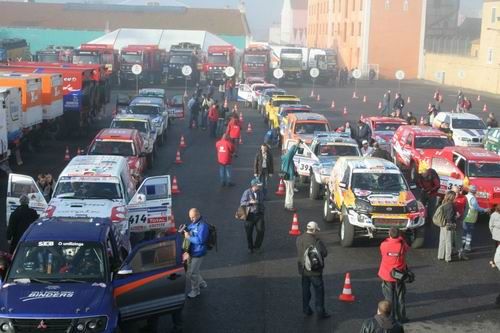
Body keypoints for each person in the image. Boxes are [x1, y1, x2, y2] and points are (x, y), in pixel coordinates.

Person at [296, 221, 330, 318]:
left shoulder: (299, 239)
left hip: (304, 271)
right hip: (315, 272)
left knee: (305, 290)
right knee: (319, 292)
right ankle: (320, 312)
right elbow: (325, 253)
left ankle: (306, 309)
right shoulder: (316, 241)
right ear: (314, 230)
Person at [378, 227, 409, 323]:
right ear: (398, 234)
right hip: (399, 276)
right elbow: (407, 248)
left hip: (387, 275)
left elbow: (382, 253)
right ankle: (401, 317)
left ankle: (389, 318)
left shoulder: (383, 245)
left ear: (389, 234)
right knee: (400, 298)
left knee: (388, 299)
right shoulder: (402, 245)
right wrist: (401, 238)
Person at [184, 208, 209, 298]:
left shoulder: (203, 226)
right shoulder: (194, 223)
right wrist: (185, 230)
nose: (191, 219)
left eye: (193, 217)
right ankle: (201, 283)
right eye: (190, 217)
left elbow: (201, 240)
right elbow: (190, 229)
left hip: (199, 252)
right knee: (189, 271)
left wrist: (188, 237)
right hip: (192, 251)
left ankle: (195, 291)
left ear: (198, 215)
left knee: (192, 273)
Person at [240, 179, 265, 253]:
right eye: (258, 185)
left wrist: (262, 209)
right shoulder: (246, 192)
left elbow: (262, 201)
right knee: (249, 233)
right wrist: (250, 202)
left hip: (259, 214)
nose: (260, 187)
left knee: (261, 231)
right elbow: (242, 203)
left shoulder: (260, 192)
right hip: (249, 215)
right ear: (254, 186)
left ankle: (257, 246)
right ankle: (250, 247)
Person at [463, 185, 489, 252]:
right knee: (469, 233)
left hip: (464, 216)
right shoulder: (473, 198)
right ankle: (467, 246)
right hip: (470, 217)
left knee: (464, 232)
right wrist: (485, 210)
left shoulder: (466, 196)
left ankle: (462, 244)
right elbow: (476, 208)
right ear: (474, 191)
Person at [437, 191, 457, 263]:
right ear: (452, 197)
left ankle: (440, 255)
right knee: (448, 241)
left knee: (442, 240)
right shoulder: (451, 205)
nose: (456, 197)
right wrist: (456, 216)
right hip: (448, 224)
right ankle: (448, 257)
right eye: (455, 196)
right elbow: (450, 217)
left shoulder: (443, 203)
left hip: (442, 224)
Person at [281, 142, 300, 212]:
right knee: (290, 192)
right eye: (287, 151)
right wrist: (296, 144)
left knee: (288, 191)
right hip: (289, 177)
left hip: (286, 176)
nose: (288, 151)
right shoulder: (287, 157)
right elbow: (291, 152)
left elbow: (292, 153)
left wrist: (297, 146)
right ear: (285, 153)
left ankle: (287, 204)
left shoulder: (285, 158)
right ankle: (289, 206)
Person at [451, 186, 468, 261]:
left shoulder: (464, 198)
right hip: (450, 221)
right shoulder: (449, 197)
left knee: (459, 237)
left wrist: (463, 217)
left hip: (459, 220)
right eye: (455, 192)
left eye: (458, 192)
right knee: (450, 238)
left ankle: (461, 254)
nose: (457, 194)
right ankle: (450, 252)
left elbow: (466, 209)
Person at [489, 204, 500, 269]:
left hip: (495, 235)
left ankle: (493, 261)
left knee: (495, 248)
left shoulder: (493, 215)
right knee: (498, 250)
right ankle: (494, 262)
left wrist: (492, 233)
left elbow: (490, 225)